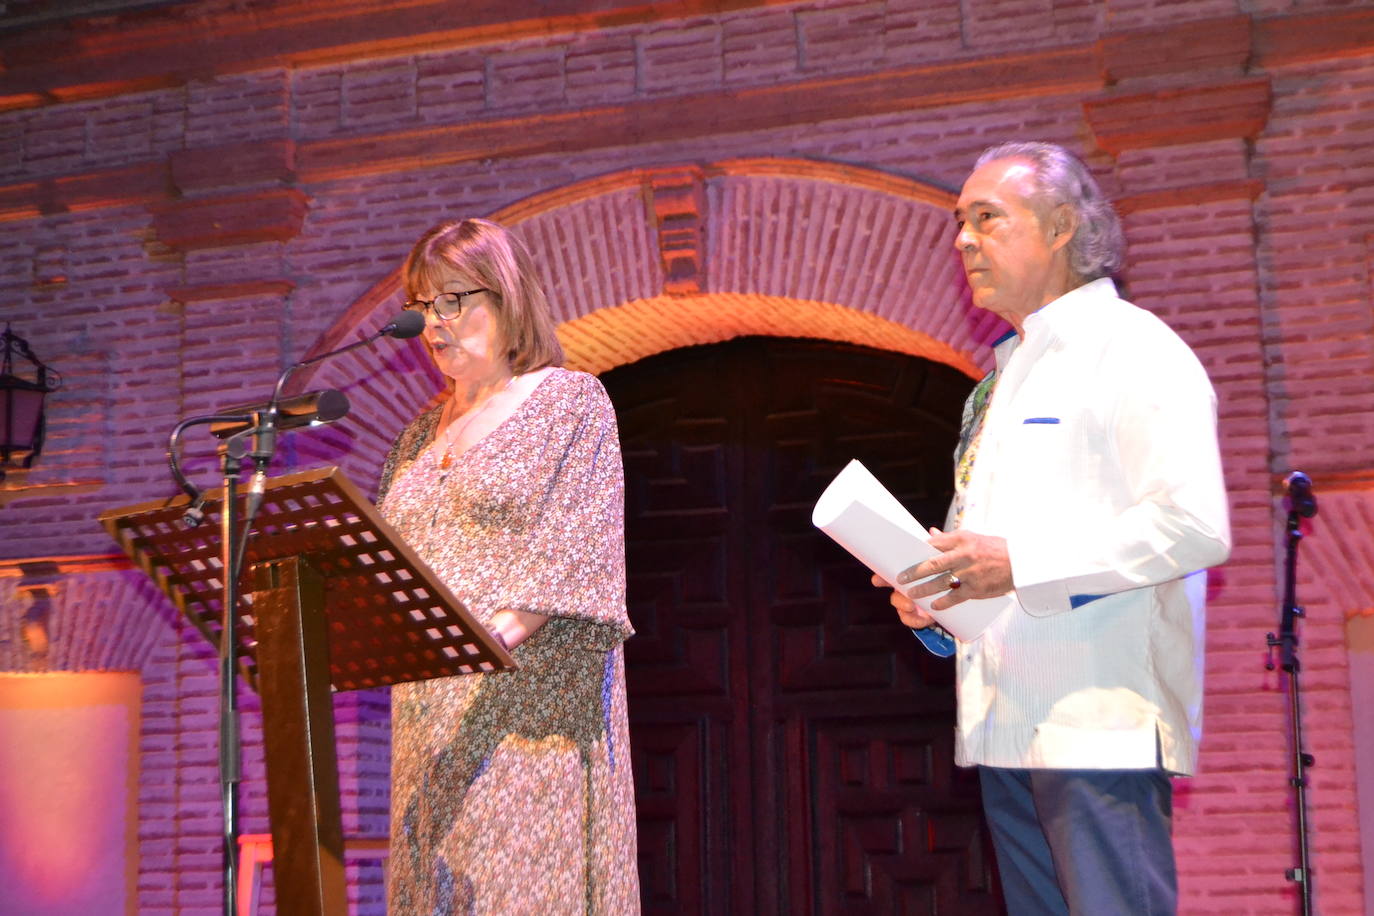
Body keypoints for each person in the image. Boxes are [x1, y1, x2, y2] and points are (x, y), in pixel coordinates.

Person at [874, 142, 1230, 914]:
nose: (963, 239)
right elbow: (991, 556)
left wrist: (1018, 564)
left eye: (986, 219)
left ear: (1063, 225)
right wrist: (937, 598)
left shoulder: (1134, 349)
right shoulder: (1000, 383)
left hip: (1097, 718)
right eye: (958, 223)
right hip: (1005, 720)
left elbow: (1195, 523)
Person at [375, 218, 640, 914]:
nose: (435, 322)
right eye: (423, 304)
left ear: (509, 298)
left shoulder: (568, 402)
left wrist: (473, 641)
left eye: (454, 299)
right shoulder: (412, 441)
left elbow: (575, 558)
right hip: (429, 730)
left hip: (527, 718)